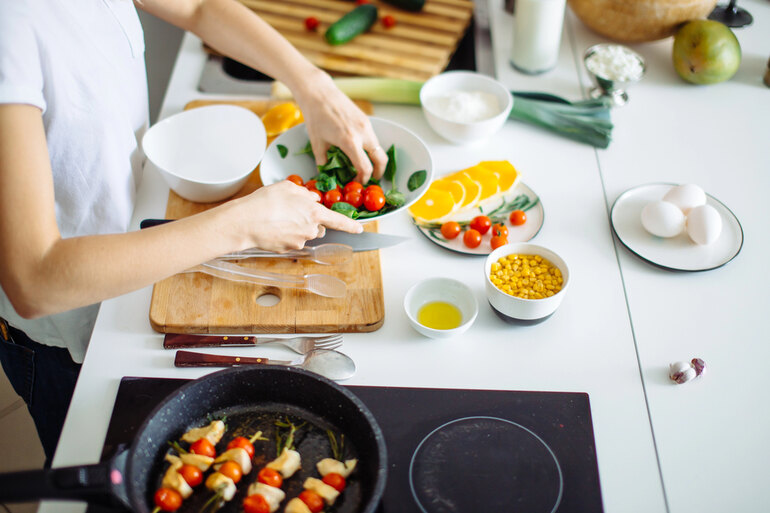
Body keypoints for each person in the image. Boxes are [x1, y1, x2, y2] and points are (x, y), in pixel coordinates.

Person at [0, 0, 386, 464]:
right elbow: (35, 280)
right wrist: (241, 223)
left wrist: (314, 87)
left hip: (146, 253)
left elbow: (199, 7)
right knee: (107, 474)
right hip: (71, 327)